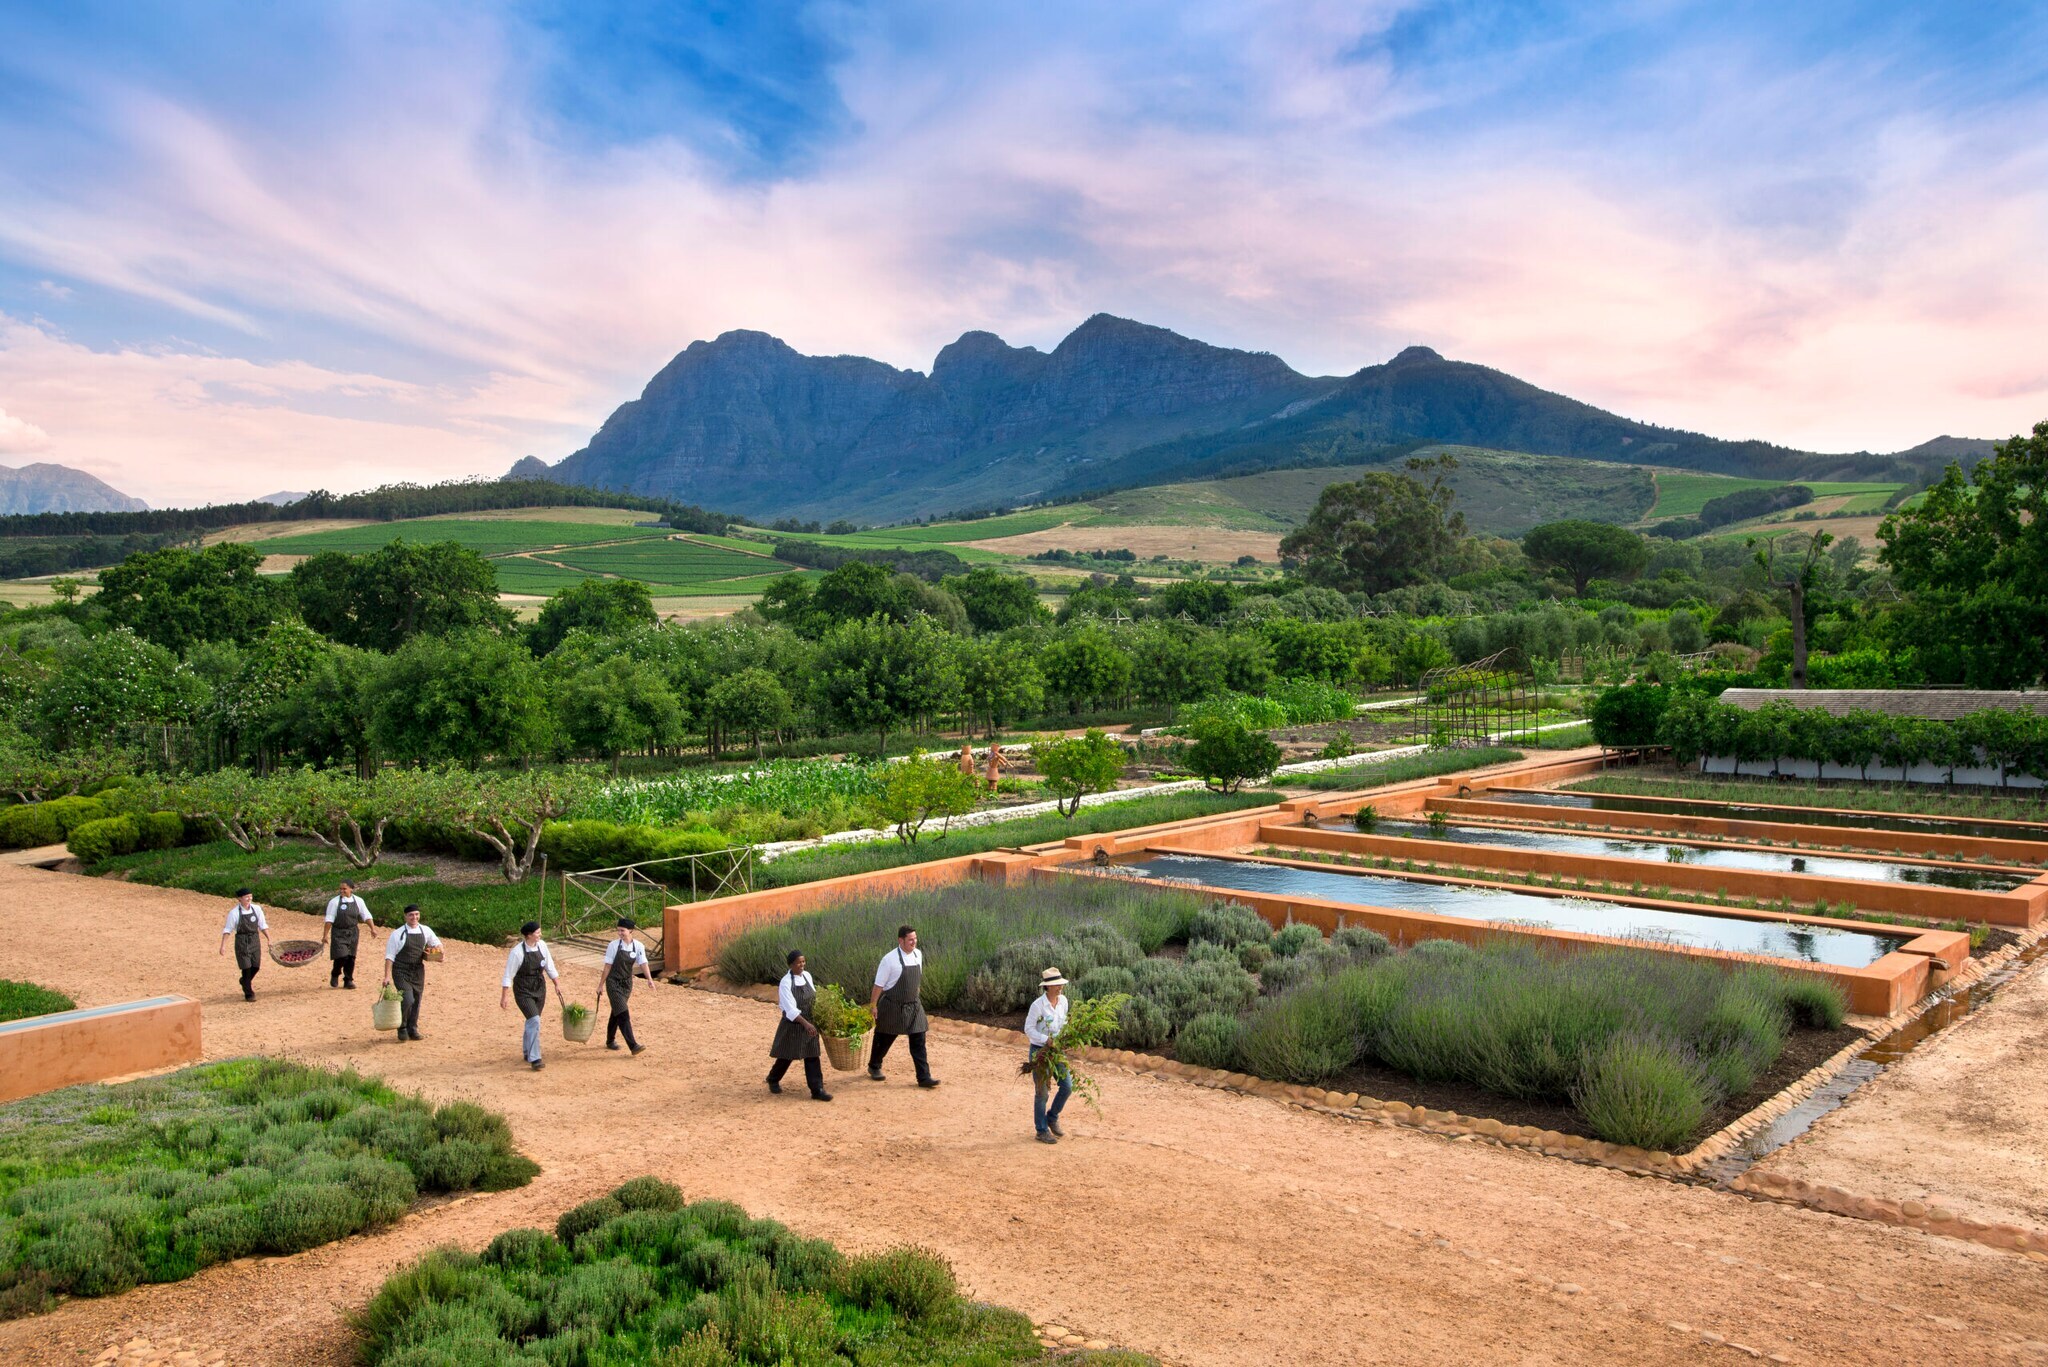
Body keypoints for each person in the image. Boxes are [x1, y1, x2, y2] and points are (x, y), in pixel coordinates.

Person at [867, 924, 939, 1087]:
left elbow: (917, 980)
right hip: (893, 1006)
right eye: (910, 940)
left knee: (918, 1040)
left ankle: (924, 1077)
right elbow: (878, 985)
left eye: (915, 939)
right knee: (884, 1038)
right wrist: (873, 1006)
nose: (914, 942)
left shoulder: (918, 955)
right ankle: (874, 1066)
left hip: (914, 1005)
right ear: (901, 940)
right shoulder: (889, 960)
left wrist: (915, 995)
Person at [766, 949, 831, 1101]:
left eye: (803, 961)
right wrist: (806, 1024)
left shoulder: (807, 976)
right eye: (798, 963)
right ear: (791, 965)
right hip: (794, 1024)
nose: (802, 965)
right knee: (787, 1055)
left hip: (810, 1023)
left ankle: (817, 1090)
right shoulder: (786, 982)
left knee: (812, 1055)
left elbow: (814, 997)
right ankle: (773, 1078)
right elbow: (790, 1009)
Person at [500, 920, 562, 1071]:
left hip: (539, 988)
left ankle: (527, 1052)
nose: (540, 934)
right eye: (537, 933)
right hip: (523, 990)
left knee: (533, 1021)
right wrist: (505, 996)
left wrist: (556, 984)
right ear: (529, 935)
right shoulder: (517, 952)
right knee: (534, 1020)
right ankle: (535, 1058)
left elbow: (549, 965)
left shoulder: (542, 946)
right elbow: (509, 974)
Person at [1024, 967, 1073, 1144]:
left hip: (1057, 1052)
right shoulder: (1037, 1006)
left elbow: (1064, 1022)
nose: (1060, 987)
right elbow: (1028, 1029)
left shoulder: (1063, 1002)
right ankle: (1041, 1130)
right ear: (1047, 987)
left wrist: (1065, 1037)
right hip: (1040, 1052)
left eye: (1060, 984)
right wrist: (1046, 1040)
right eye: (1056, 985)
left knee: (1067, 1086)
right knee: (1042, 1092)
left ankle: (1052, 1117)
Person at [381, 904, 440, 1041]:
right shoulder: (397, 934)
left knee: (417, 999)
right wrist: (386, 976)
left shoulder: (425, 930)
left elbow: (436, 943)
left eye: (416, 914)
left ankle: (412, 1028)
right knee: (408, 999)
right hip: (401, 970)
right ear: (405, 917)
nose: (414, 917)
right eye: (411, 915)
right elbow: (390, 956)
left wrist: (439, 952)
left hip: (418, 970)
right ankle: (402, 1026)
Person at [600, 917, 656, 1055]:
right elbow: (607, 966)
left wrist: (649, 979)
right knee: (623, 1013)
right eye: (618, 930)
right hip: (613, 982)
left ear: (631, 930)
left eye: (622, 930)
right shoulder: (613, 945)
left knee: (617, 1011)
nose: (619, 933)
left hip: (626, 984)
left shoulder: (638, 946)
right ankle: (633, 1045)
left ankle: (610, 1040)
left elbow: (643, 963)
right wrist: (601, 985)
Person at [217, 889, 272, 1002]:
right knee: (246, 967)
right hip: (242, 941)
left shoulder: (256, 909)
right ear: (239, 899)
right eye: (246, 897)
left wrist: (269, 939)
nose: (249, 899)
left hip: (254, 939)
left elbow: (262, 925)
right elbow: (228, 929)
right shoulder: (234, 913)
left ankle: (244, 981)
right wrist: (223, 946)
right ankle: (249, 993)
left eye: (250, 896)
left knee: (255, 966)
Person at [319, 879, 374, 989]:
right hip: (338, 932)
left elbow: (366, 915)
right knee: (341, 955)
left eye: (344, 889)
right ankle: (335, 973)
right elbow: (329, 919)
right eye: (340, 889)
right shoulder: (334, 902)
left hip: (353, 932)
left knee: (351, 957)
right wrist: (325, 935)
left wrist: (372, 928)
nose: (342, 891)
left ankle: (348, 980)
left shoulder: (358, 901)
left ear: (351, 889)